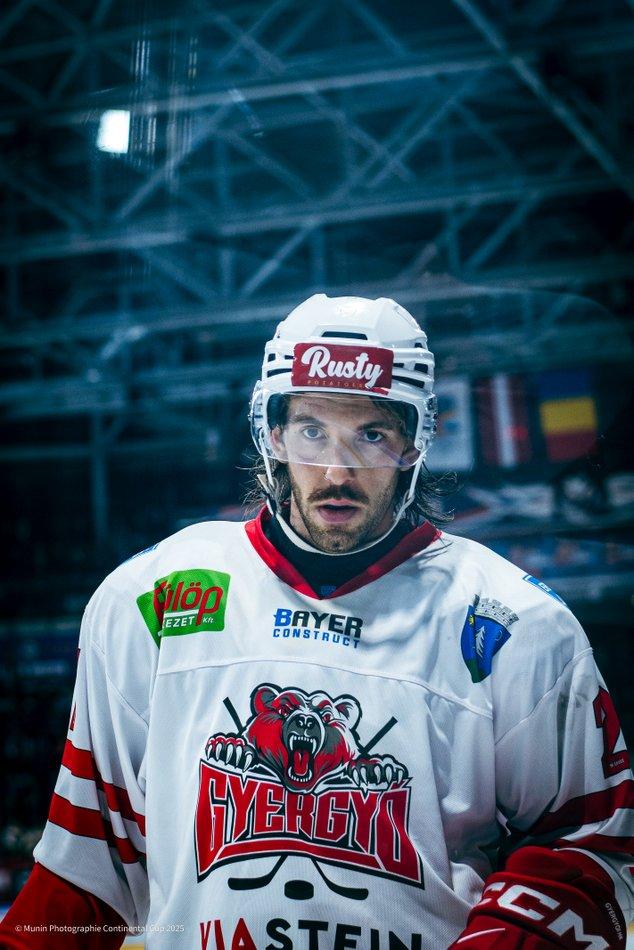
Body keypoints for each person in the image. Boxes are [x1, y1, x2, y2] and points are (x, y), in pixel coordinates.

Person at [1, 293, 632, 949]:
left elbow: (590, 847)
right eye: (311, 431)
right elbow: (88, 868)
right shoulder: (154, 598)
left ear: (415, 442)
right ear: (271, 434)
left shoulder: (515, 623)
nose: (338, 471)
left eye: (372, 435)